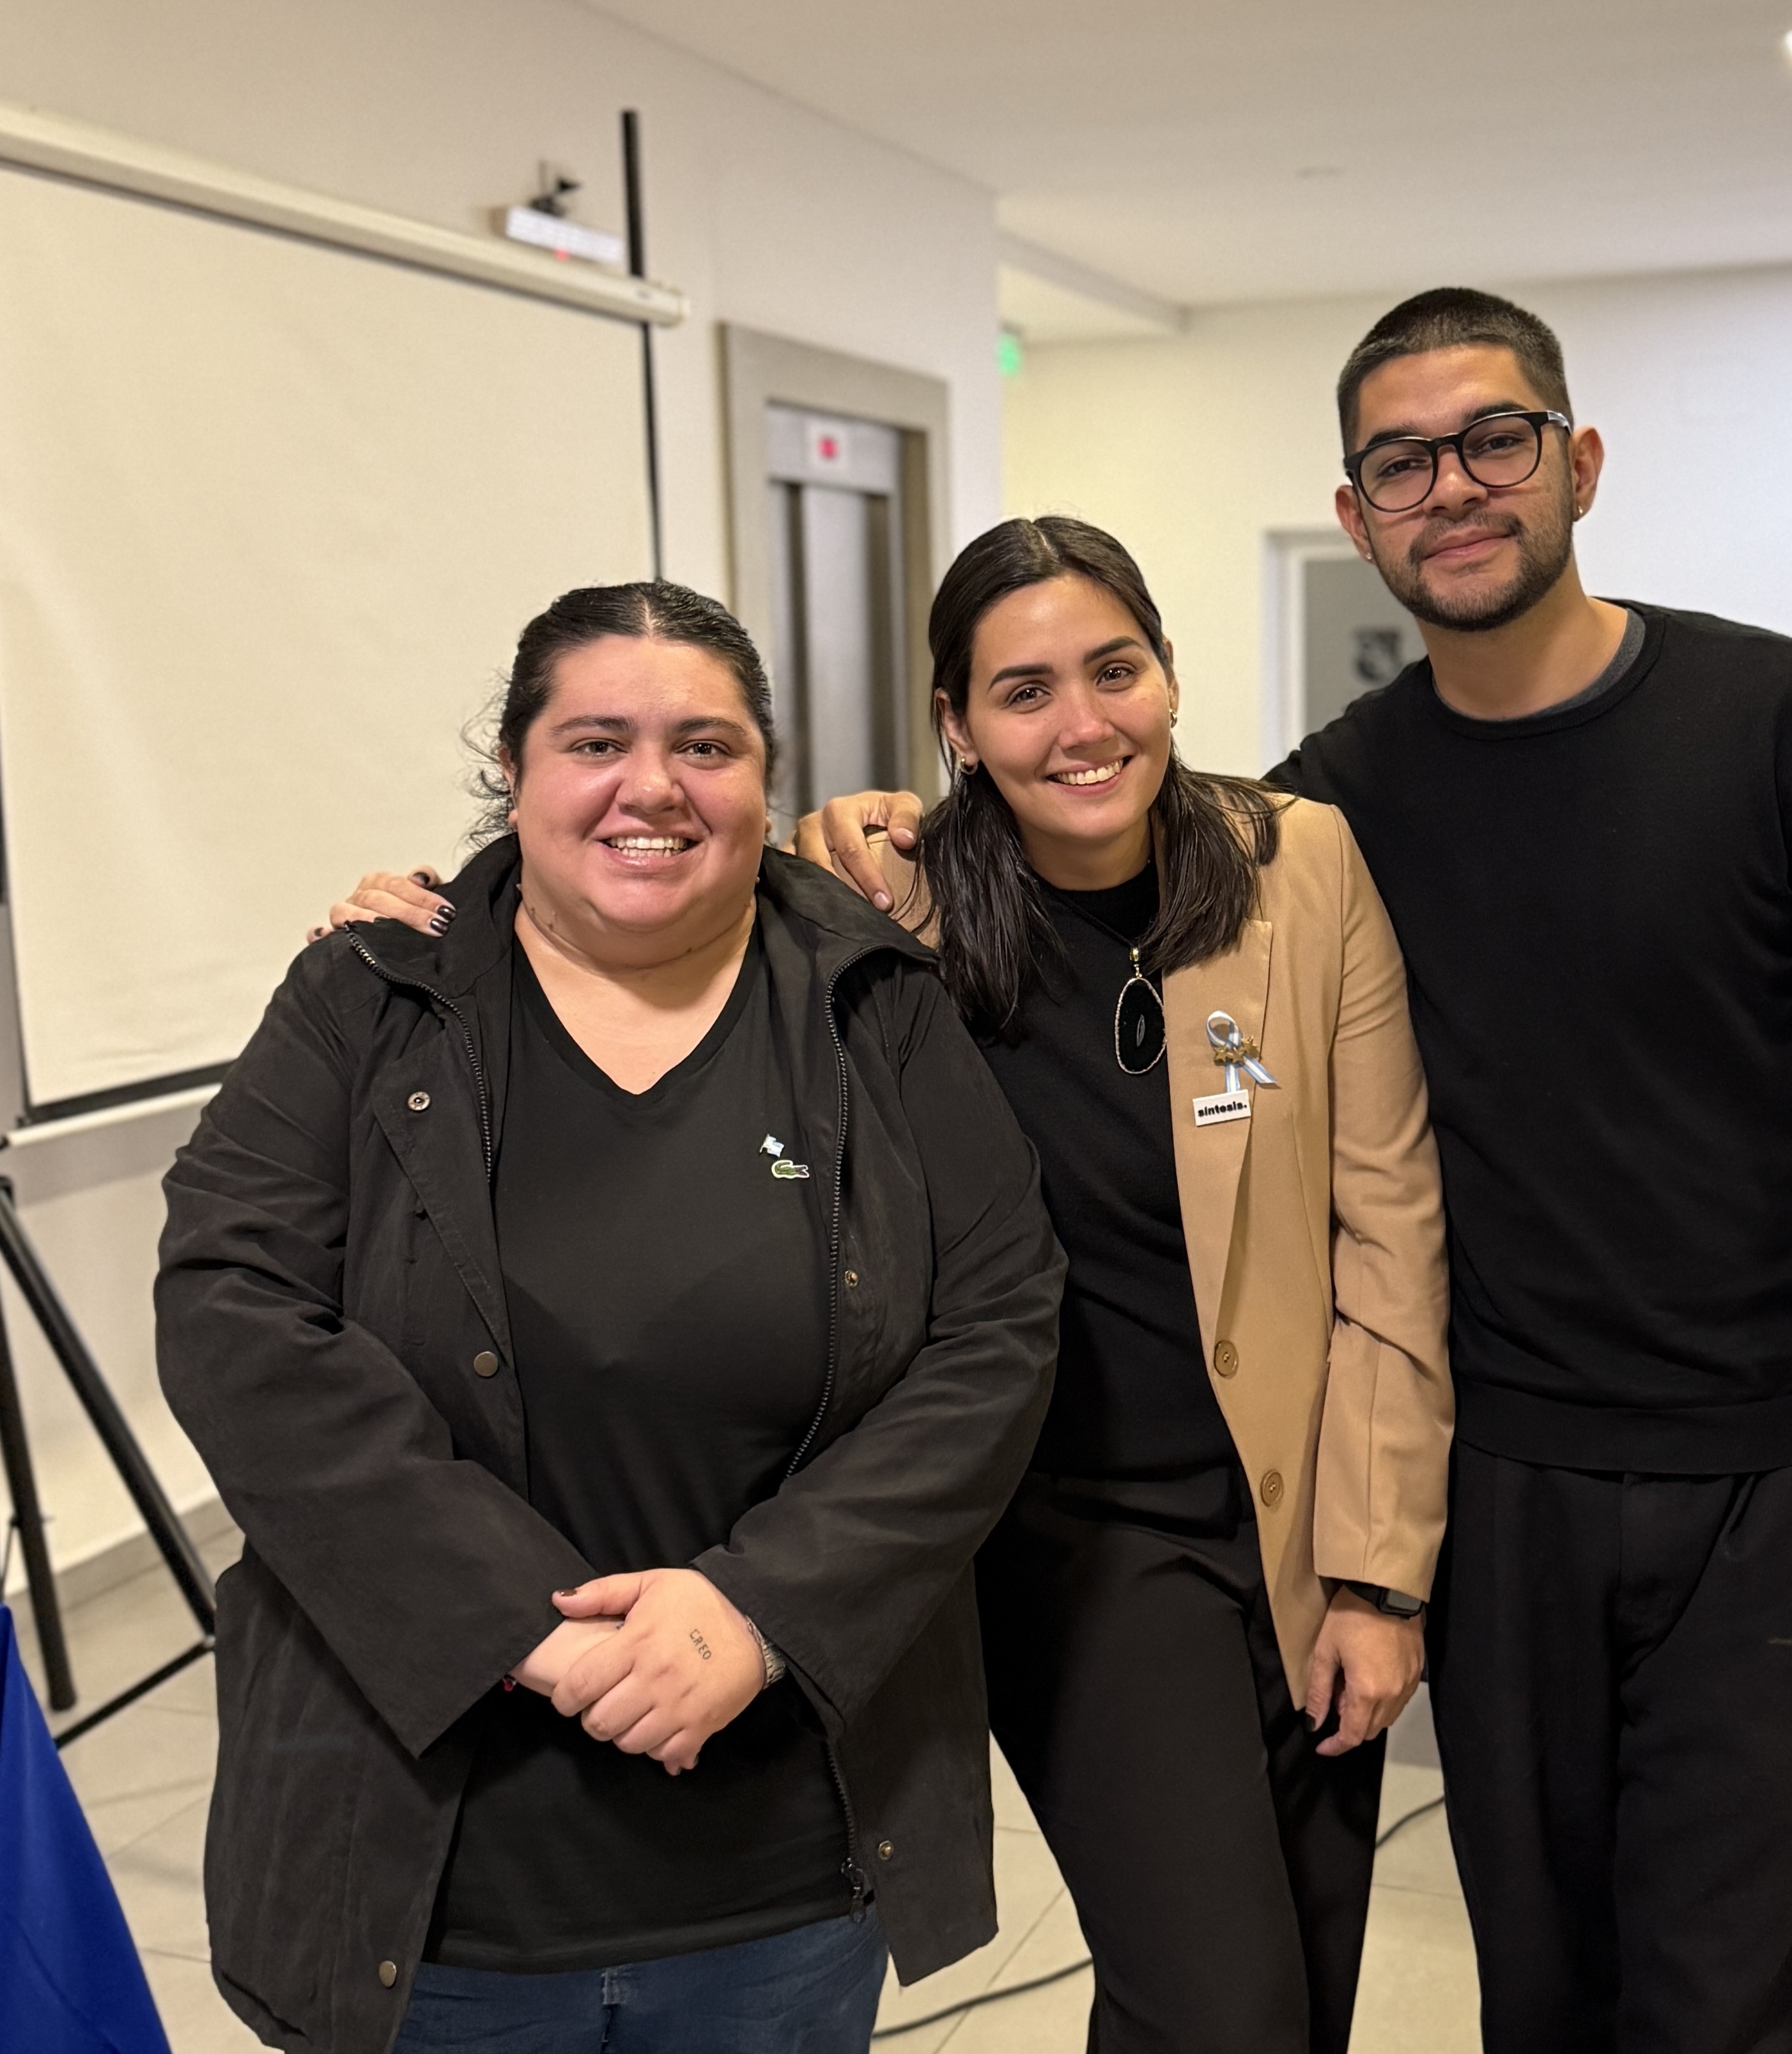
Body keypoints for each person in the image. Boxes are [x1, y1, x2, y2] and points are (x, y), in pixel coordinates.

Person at [798, 288, 1792, 2054]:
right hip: (1499, 1483)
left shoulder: (1779, 724)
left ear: (1575, 461)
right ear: (1354, 516)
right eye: (1399, 461)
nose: (1452, 485)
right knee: (1540, 1974)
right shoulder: (1324, 814)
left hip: (1778, 1473)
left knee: (1749, 1987)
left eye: (1493, 439)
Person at [332, 519, 1453, 2054]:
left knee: (1303, 1989)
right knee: (1223, 2008)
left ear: (1172, 675)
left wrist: (1380, 1574)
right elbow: (621, 872)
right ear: (955, 725)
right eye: (1022, 691)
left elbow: (1390, 1219)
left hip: (1292, 1507)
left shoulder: (1296, 863)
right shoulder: (873, 903)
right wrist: (413, 915)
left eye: (1114, 670)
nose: (1081, 726)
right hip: (1070, 1537)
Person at [158, 582, 1064, 2054]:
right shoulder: (368, 995)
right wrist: (529, 1628)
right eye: (597, 742)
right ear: (515, 772)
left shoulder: (875, 1006)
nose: (653, 786)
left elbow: (1000, 1329)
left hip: (780, 1864)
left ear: (768, 779)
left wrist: (761, 1607)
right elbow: (232, 1314)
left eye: (706, 744)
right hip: (428, 1876)